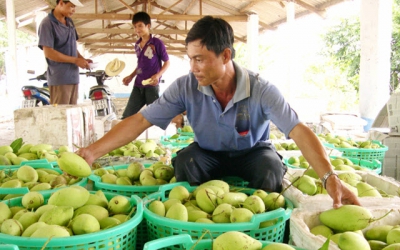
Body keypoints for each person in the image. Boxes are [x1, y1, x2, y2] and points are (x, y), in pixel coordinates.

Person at [77, 16, 360, 208]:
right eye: (190, 59)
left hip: (253, 153)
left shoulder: (261, 89)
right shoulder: (185, 86)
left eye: (200, 59)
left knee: (271, 168)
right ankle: (197, 216)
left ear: (225, 56)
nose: (193, 67)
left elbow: (299, 130)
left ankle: (258, 221)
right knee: (186, 162)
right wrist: (91, 153)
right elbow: (140, 120)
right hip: (208, 154)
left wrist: (329, 178)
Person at [38, 0, 92, 105]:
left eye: (74, 7)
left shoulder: (70, 22)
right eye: (71, 6)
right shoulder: (47, 24)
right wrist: (75, 60)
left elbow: (71, 45)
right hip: (60, 78)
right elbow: (49, 53)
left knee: (72, 115)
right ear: (61, 3)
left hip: (73, 77)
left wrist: (82, 59)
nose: (73, 10)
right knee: (61, 116)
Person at [121, 12, 170, 119]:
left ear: (148, 26)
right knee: (126, 116)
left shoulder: (157, 43)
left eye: (140, 26)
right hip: (138, 85)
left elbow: (167, 62)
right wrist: (131, 76)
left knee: (154, 117)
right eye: (135, 27)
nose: (137, 29)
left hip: (151, 86)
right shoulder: (137, 45)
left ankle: (157, 135)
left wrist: (158, 75)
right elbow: (140, 66)